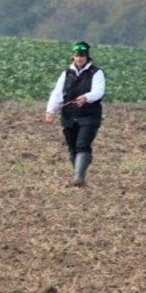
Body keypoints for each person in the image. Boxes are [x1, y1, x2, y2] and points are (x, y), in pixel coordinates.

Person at [45, 41, 106, 186]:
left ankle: (78, 178)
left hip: (89, 115)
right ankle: (79, 179)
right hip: (69, 116)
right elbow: (57, 93)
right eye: (77, 55)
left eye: (83, 56)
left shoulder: (96, 72)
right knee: (72, 148)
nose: (80, 58)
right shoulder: (66, 73)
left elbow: (99, 91)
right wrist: (50, 110)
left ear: (87, 57)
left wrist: (87, 97)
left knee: (82, 145)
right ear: (73, 56)